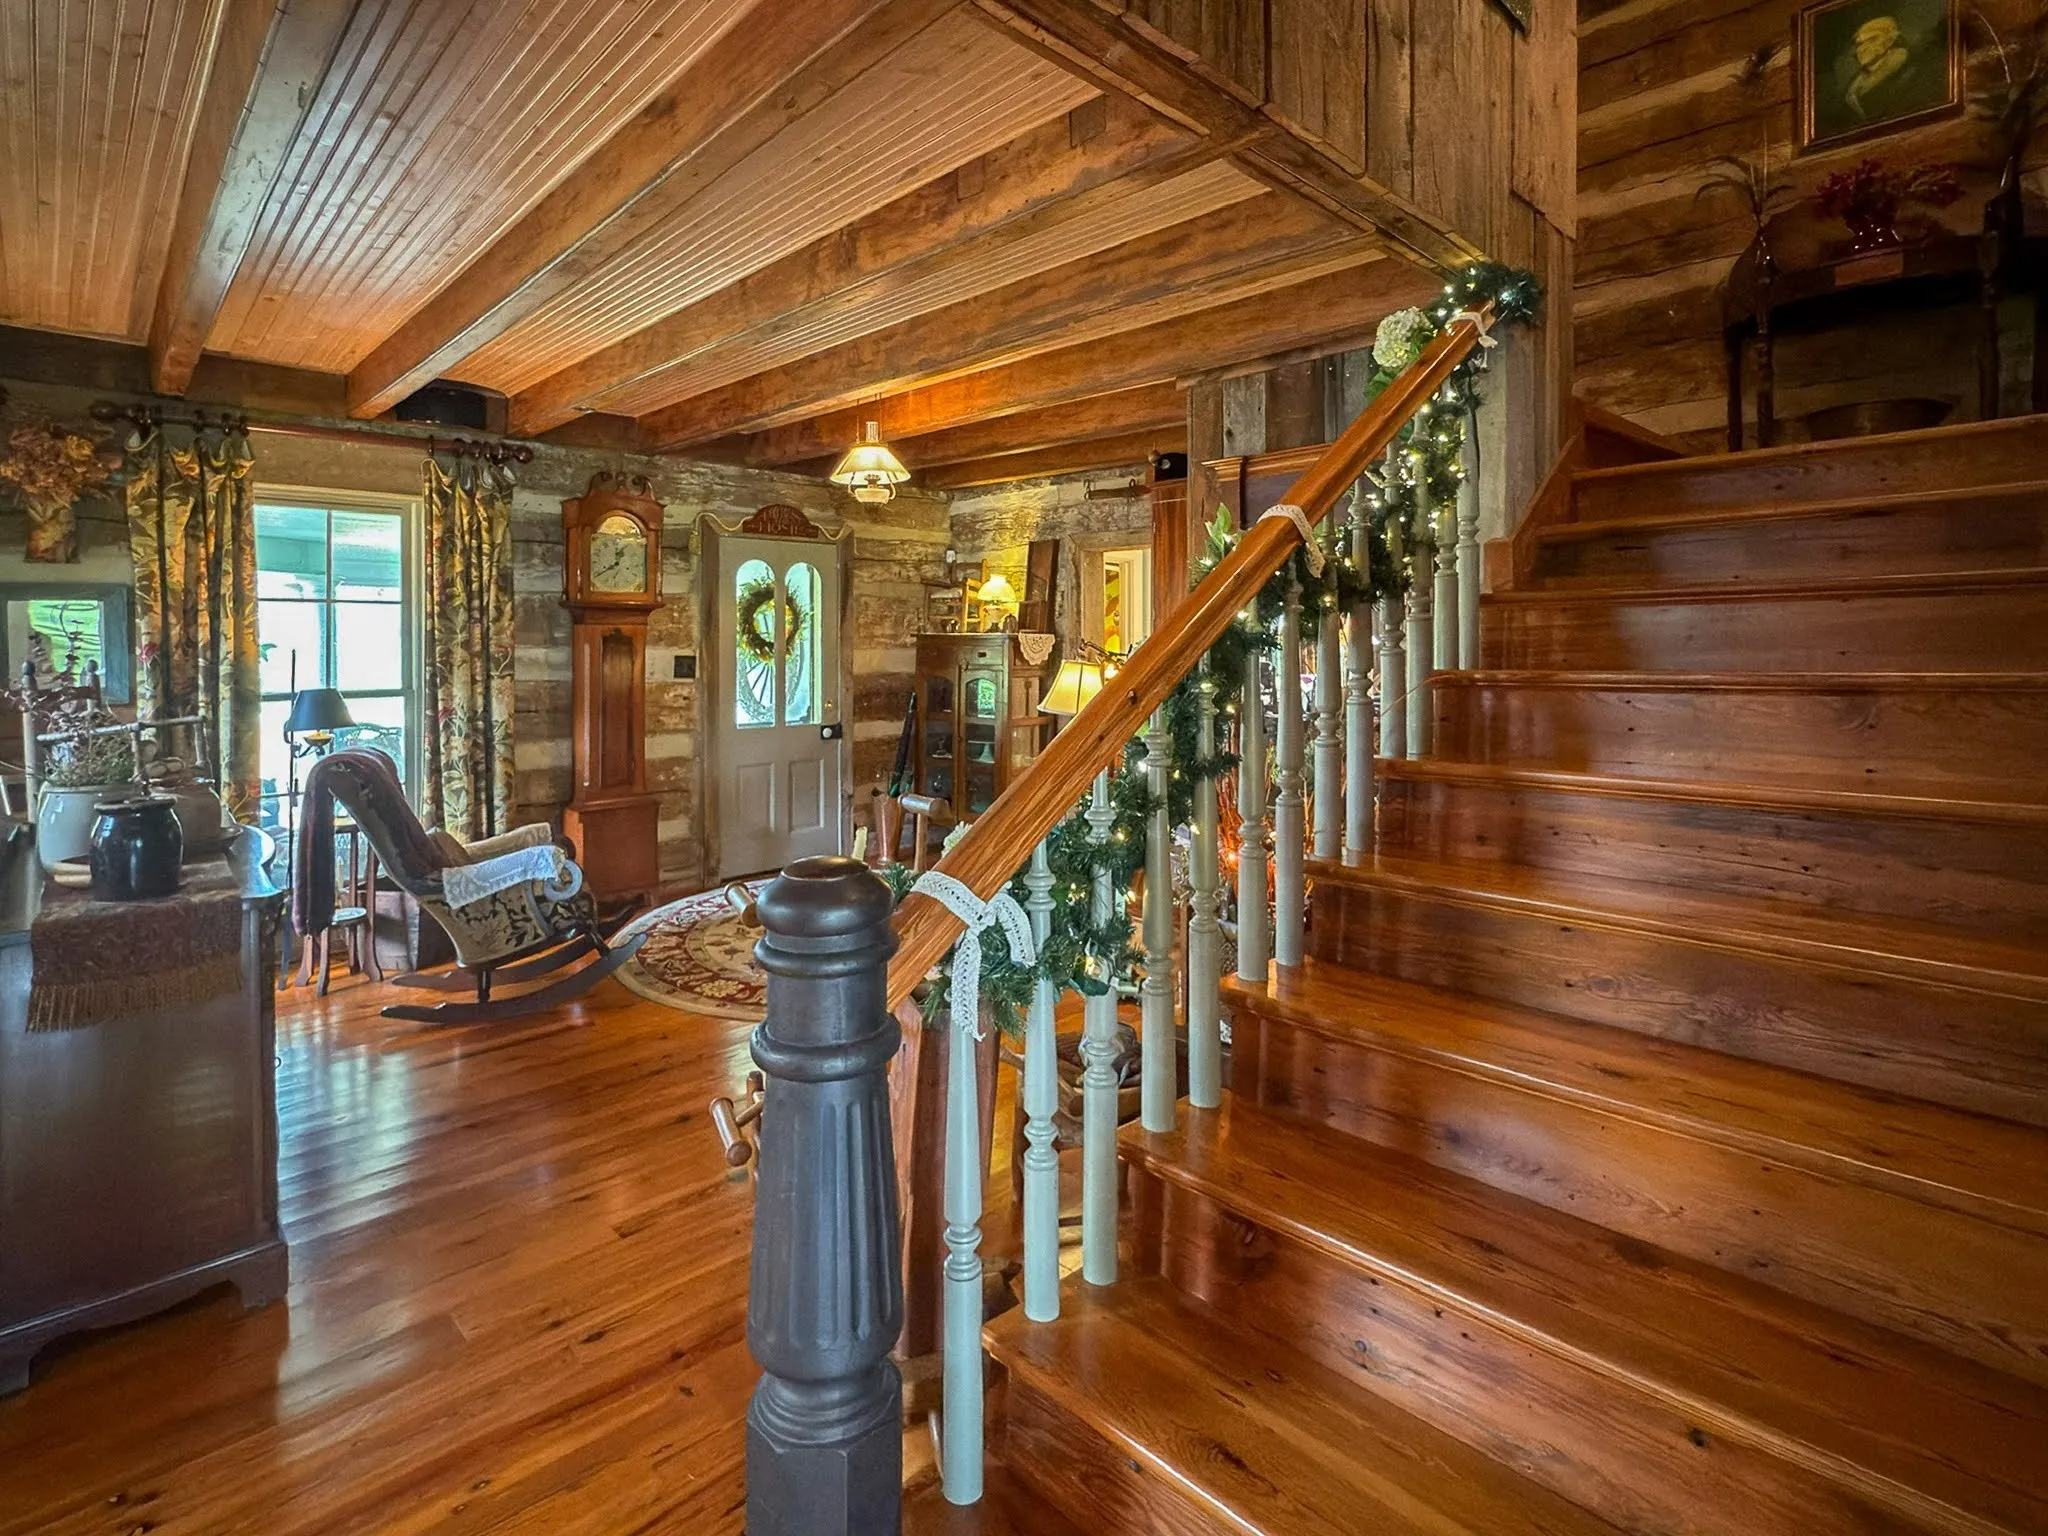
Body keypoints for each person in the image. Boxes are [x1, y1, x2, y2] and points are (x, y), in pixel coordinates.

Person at [1842, 14, 1923, 122]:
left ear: (1890, 41)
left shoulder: (1909, 73)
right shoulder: (1854, 84)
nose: (1861, 49)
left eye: (1872, 40)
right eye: (1859, 44)